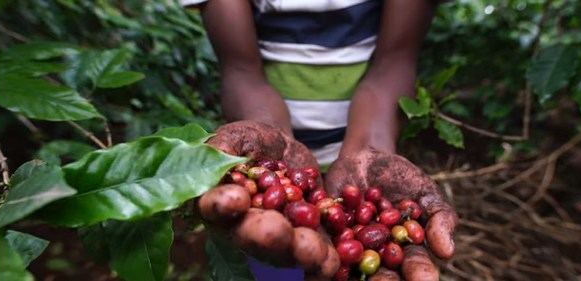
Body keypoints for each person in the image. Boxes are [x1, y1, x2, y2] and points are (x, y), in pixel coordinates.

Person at [184, 0, 457, 280]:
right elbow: (240, 68)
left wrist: (371, 148)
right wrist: (266, 134)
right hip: (278, 158)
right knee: (275, 252)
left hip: (364, 154)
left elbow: (396, 60)